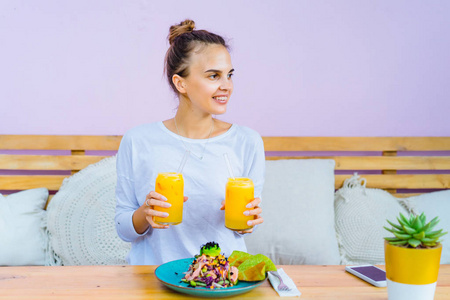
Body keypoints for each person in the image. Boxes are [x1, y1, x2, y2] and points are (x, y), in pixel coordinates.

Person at [115, 19, 265, 265]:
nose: (226, 85)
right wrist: (145, 213)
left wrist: (248, 222)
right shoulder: (138, 141)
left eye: (229, 75)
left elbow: (245, 227)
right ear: (180, 83)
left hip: (221, 281)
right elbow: (123, 228)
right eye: (213, 75)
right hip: (153, 279)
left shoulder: (247, 142)